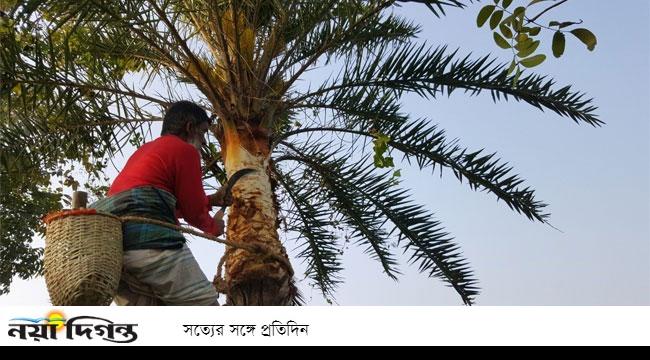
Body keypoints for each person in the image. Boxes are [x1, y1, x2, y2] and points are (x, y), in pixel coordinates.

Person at [91, 101, 230, 305]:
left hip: (115, 255)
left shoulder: (145, 150)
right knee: (205, 309)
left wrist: (212, 200)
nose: (203, 141)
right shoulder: (185, 150)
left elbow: (154, 200)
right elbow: (193, 212)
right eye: (202, 132)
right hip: (151, 246)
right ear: (189, 127)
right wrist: (213, 226)